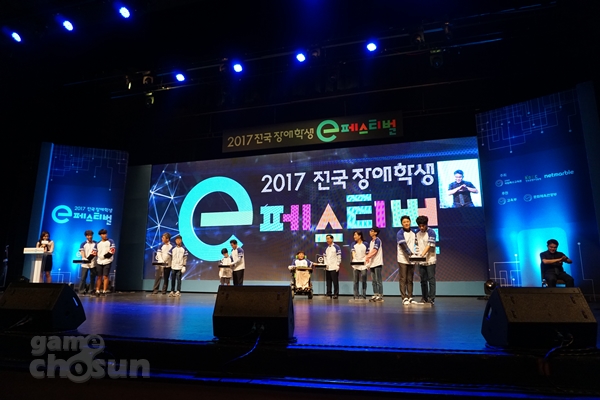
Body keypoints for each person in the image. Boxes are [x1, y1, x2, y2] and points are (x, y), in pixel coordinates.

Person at [415, 216, 437, 304]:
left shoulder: (431, 232)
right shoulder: (417, 234)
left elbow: (429, 245)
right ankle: (424, 297)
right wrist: (417, 255)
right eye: (420, 226)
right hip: (421, 260)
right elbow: (417, 246)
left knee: (431, 279)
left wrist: (422, 254)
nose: (421, 228)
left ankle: (431, 298)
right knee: (423, 280)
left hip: (430, 259)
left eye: (423, 226)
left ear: (426, 224)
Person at [397, 216, 418, 305]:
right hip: (402, 259)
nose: (406, 223)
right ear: (402, 224)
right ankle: (404, 297)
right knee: (403, 278)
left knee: (410, 279)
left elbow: (416, 244)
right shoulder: (400, 233)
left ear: (410, 222)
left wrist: (416, 254)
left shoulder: (413, 233)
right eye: (404, 222)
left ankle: (410, 297)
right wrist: (410, 254)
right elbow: (403, 245)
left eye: (407, 221)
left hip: (411, 259)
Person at [92, 228, 116, 296]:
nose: (105, 235)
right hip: (99, 261)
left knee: (105, 276)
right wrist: (89, 258)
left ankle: (104, 291)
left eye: (105, 234)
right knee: (99, 276)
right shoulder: (98, 243)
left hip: (107, 261)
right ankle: (97, 290)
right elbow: (94, 252)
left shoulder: (110, 241)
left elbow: (112, 250)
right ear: (100, 235)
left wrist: (105, 256)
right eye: (103, 234)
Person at [365, 227, 384, 302]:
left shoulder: (377, 240)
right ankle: (375, 294)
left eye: (372, 231)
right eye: (370, 231)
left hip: (377, 263)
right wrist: (368, 262)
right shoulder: (371, 242)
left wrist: (367, 257)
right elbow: (370, 251)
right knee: (373, 281)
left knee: (378, 280)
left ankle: (380, 295)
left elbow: (374, 250)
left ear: (375, 233)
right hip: (372, 263)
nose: (370, 232)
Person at [78, 230, 97, 296]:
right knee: (83, 278)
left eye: (91, 235)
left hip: (93, 263)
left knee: (92, 278)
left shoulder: (96, 243)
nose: (90, 236)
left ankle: (91, 290)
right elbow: (82, 252)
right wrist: (84, 258)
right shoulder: (83, 244)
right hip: (85, 264)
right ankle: (81, 291)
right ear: (86, 236)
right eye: (88, 235)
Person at [350, 231, 368, 300]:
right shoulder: (353, 244)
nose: (354, 236)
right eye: (354, 235)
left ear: (360, 236)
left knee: (364, 280)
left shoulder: (365, 244)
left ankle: (363, 295)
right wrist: (355, 260)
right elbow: (353, 253)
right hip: (356, 264)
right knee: (355, 281)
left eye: (355, 235)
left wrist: (366, 262)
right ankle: (356, 295)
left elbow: (367, 254)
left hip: (363, 264)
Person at [324, 234, 342, 299]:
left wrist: (338, 265)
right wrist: (325, 265)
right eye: (326, 239)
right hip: (328, 267)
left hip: (334, 267)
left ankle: (336, 294)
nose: (327, 240)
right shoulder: (326, 248)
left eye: (328, 238)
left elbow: (339, 256)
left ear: (332, 239)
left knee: (335, 281)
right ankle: (329, 293)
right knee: (328, 281)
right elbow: (325, 257)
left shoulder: (336, 247)